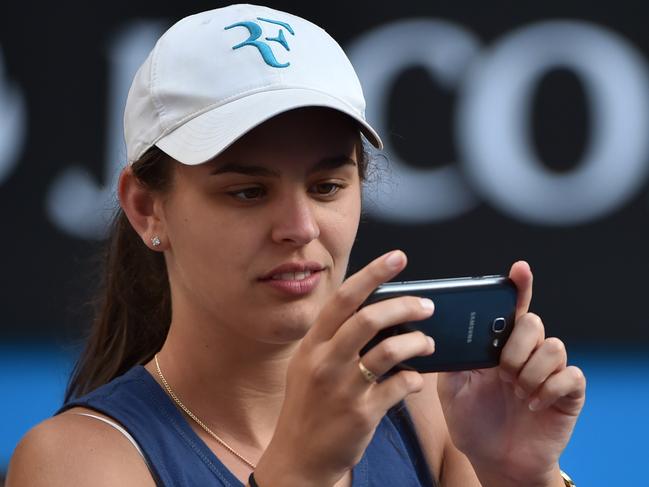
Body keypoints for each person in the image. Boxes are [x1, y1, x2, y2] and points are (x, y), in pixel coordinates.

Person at [6, 4, 586, 487]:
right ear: (145, 207)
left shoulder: (427, 406)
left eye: (327, 186)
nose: (300, 226)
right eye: (248, 191)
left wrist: (521, 476)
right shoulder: (76, 462)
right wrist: (300, 474)